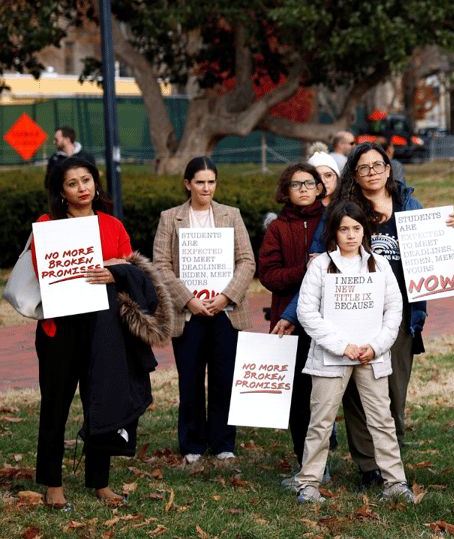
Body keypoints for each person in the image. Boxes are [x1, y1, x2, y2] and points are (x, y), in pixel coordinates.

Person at [34, 157, 173, 508]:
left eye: (86, 180)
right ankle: (53, 484)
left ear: (96, 183)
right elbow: (41, 269)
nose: (82, 188)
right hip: (60, 328)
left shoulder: (112, 225)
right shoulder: (48, 225)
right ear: (61, 191)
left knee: (103, 401)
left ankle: (99, 481)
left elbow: (131, 272)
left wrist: (115, 273)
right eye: (72, 183)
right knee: (55, 405)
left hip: (105, 328)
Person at [334, 143, 454, 486]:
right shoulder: (346, 208)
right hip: (355, 310)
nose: (372, 172)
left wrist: (453, 234)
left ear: (389, 169)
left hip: (401, 312)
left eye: (378, 165)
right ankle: (368, 466)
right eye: (364, 167)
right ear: (354, 174)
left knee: (393, 389)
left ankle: (391, 457)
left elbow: (434, 252)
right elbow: (326, 248)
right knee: (357, 392)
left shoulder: (408, 205)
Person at [293, 200, 415, 504]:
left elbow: (394, 310)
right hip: (330, 357)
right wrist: (341, 345)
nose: (350, 235)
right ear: (334, 232)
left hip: (371, 356)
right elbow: (307, 312)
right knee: (321, 422)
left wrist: (375, 346)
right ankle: (308, 484)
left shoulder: (379, 264)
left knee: (382, 420)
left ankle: (395, 482)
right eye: (344, 229)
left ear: (364, 231)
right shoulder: (320, 265)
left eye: (356, 228)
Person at [153, 157, 256, 464]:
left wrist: (225, 297)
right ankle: (193, 443)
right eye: (200, 182)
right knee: (191, 379)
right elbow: (161, 265)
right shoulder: (170, 218)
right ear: (188, 184)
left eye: (211, 182)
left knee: (225, 378)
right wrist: (188, 299)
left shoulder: (231, 215)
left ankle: (223, 442)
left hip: (225, 312)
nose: (206, 188)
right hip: (188, 313)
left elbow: (247, 261)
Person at [258, 162, 327, 482]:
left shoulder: (331, 220)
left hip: (329, 318)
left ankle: (325, 456)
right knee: (298, 397)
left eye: (309, 183)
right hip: (289, 321)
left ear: (319, 188)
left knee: (324, 393)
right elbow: (269, 276)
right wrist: (306, 270)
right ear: (286, 191)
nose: (303, 189)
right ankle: (306, 463)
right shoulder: (277, 228)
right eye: (296, 184)